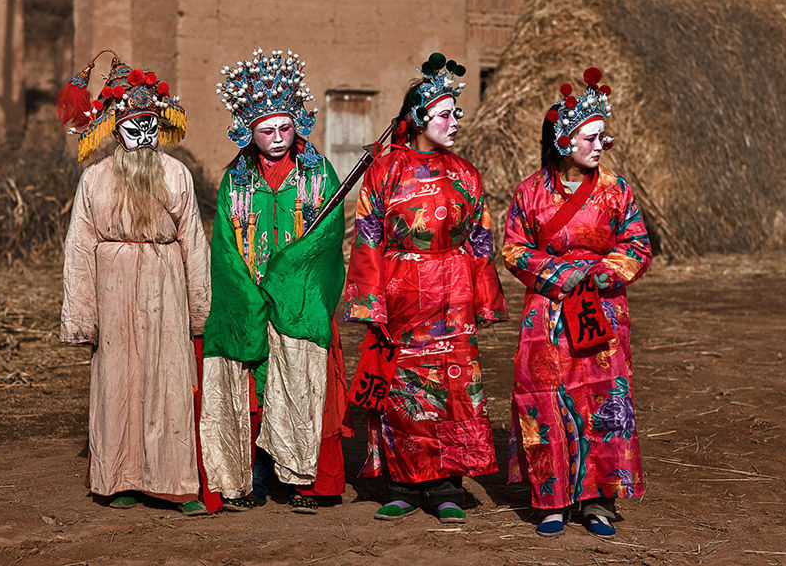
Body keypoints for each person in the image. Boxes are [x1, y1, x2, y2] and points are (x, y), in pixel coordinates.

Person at [344, 52, 507, 524]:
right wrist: (370, 304)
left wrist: (484, 297)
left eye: (457, 113)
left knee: (454, 390)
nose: (454, 122)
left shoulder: (466, 174)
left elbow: (480, 239)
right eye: (444, 114)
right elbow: (368, 239)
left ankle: (446, 486)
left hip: (454, 293)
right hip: (400, 293)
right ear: (417, 117)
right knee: (403, 389)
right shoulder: (384, 171)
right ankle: (402, 484)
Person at [58, 51, 210, 515]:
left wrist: (200, 311)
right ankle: (118, 478)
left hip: (167, 287)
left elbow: (196, 246)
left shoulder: (176, 174)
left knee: (169, 378)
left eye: (149, 124)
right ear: (114, 129)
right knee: (116, 381)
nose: (142, 134)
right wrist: (81, 316)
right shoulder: (95, 179)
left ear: (159, 127)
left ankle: (174, 481)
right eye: (132, 125)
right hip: (113, 288)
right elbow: (79, 248)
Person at [199, 48, 351, 514]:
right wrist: (246, 292)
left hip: (299, 298)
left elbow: (327, 237)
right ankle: (253, 479)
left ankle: (306, 483)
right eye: (267, 130)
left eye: (286, 128)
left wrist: (286, 277)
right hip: (249, 299)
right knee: (254, 395)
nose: (279, 138)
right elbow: (224, 241)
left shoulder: (318, 172)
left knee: (305, 389)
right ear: (249, 131)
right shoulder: (235, 179)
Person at [502, 67, 652, 537]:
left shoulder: (617, 190)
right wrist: (558, 273)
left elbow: (637, 246)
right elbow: (513, 247)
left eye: (601, 137)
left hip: (601, 309)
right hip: (547, 311)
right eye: (589, 137)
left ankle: (597, 501)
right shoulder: (530, 192)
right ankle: (551, 499)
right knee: (545, 397)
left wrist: (601, 273)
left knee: (601, 398)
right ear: (564, 140)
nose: (599, 145)